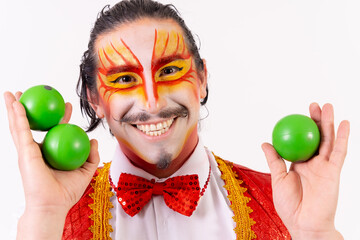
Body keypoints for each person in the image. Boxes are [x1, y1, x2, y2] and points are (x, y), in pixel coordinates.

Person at [4, 0, 350, 239]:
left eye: (170, 70)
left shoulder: (282, 203)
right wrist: (44, 215)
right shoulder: (51, 218)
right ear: (94, 100)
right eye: (124, 79)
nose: (152, 101)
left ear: (201, 79)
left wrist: (315, 234)